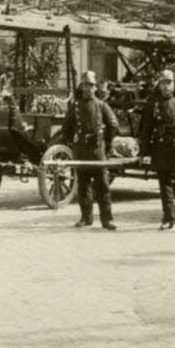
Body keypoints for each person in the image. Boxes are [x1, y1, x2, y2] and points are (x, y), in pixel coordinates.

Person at [139, 69, 175, 234]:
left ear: (174, 84)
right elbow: (146, 130)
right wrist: (144, 153)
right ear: (159, 85)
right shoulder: (153, 105)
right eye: (163, 83)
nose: (166, 86)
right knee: (165, 187)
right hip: (161, 150)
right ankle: (168, 218)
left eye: (169, 83)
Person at [62, 69, 119, 230]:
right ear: (81, 87)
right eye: (85, 85)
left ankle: (107, 220)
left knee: (103, 187)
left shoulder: (101, 105)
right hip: (81, 150)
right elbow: (66, 128)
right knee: (83, 186)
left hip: (97, 151)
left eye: (91, 85)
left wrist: (106, 143)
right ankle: (86, 218)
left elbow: (113, 125)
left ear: (95, 88)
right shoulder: (75, 106)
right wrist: (71, 143)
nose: (88, 88)